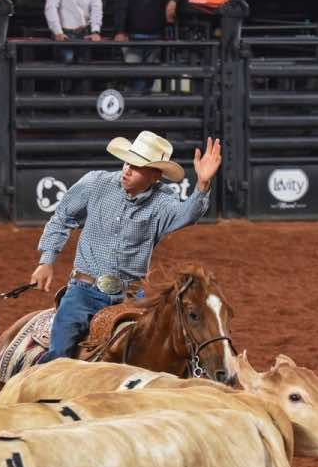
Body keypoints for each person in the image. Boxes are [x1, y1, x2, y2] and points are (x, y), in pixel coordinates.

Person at [31, 131, 221, 362]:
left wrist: (202, 184)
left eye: (137, 166)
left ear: (155, 175)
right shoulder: (96, 184)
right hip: (83, 292)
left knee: (154, 356)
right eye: (127, 162)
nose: (127, 170)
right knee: (59, 355)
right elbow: (62, 217)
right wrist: (46, 260)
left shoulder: (162, 202)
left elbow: (187, 214)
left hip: (130, 297)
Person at [113, 0, 191, 92]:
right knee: (134, 74)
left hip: (155, 38)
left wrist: (173, 1)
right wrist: (120, 31)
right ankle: (135, 107)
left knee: (150, 76)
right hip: (132, 38)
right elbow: (121, 7)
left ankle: (140, 108)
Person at [44, 0, 104, 64]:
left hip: (84, 32)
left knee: (84, 69)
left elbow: (96, 5)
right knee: (66, 67)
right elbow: (51, 7)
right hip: (64, 32)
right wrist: (57, 32)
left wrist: (95, 30)